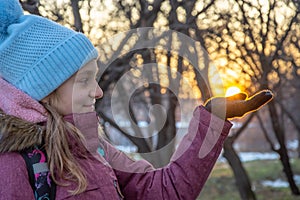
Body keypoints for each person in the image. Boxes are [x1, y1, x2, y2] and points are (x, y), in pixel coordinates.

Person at [0, 0, 273, 199]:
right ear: (44, 89)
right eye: (83, 80)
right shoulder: (12, 163)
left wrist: (213, 120)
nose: (98, 92)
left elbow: (163, 191)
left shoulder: (90, 146)